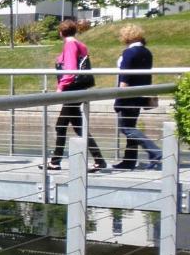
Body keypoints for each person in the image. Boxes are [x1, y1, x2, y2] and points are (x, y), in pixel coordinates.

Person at [45, 20, 107, 172]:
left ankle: (55, 161)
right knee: (78, 126)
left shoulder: (70, 44)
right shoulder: (80, 44)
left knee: (61, 126)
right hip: (78, 88)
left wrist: (61, 86)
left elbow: (71, 69)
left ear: (61, 32)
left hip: (72, 89)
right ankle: (98, 160)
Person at [113, 23, 161, 170]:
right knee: (131, 127)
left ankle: (156, 152)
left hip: (128, 96)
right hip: (139, 94)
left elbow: (124, 77)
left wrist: (119, 97)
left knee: (126, 128)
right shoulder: (147, 52)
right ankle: (129, 161)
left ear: (126, 36)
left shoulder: (129, 53)